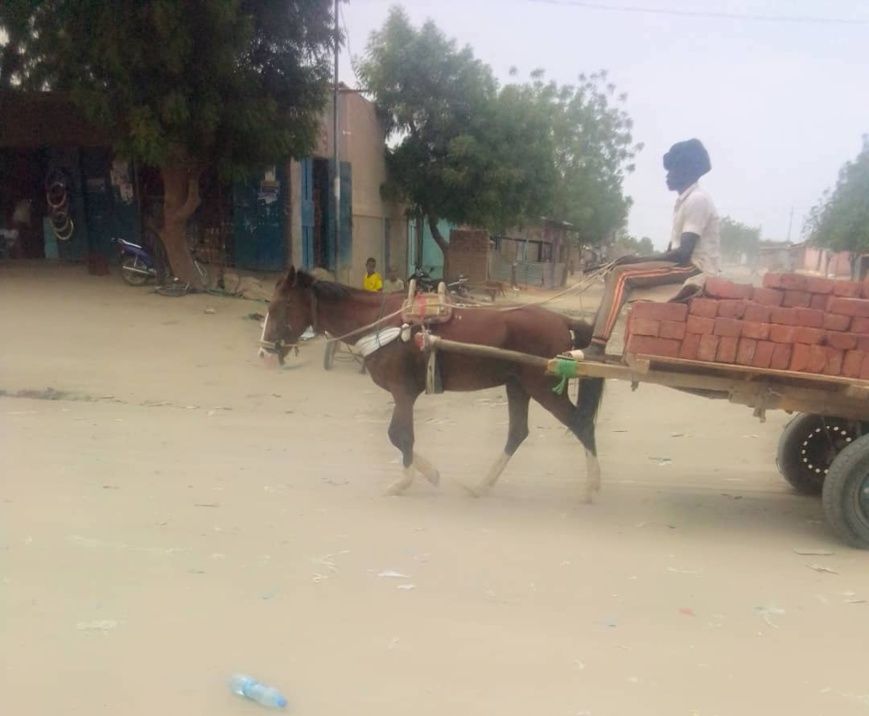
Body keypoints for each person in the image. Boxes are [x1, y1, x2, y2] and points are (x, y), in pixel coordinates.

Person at [584, 138, 720, 361]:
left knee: (621, 275)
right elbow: (673, 250)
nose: (668, 175)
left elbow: (682, 254)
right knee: (615, 274)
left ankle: (597, 346)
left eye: (672, 170)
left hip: (695, 268)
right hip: (684, 264)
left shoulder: (697, 200)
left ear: (685, 170)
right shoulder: (685, 201)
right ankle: (593, 336)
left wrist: (634, 261)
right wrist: (635, 261)